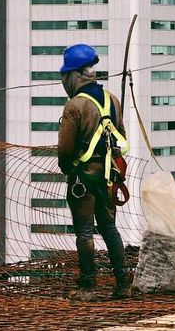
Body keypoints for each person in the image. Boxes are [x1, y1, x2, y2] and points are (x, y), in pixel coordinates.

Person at [56, 43, 131, 301]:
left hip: (82, 178)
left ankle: (88, 286)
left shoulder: (75, 106)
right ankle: (123, 284)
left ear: (74, 75)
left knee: (85, 232)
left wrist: (68, 169)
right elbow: (121, 137)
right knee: (110, 229)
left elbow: (65, 150)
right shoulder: (112, 100)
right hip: (108, 177)